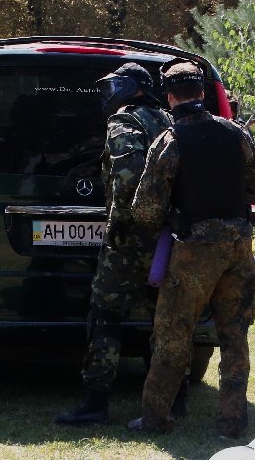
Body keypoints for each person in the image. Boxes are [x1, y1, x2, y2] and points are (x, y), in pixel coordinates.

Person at [126, 60, 255, 437]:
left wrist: (169, 220)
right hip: (238, 246)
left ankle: (156, 418)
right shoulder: (235, 133)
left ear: (169, 96)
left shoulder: (170, 140)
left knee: (173, 333)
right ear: (202, 93)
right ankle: (233, 422)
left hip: (195, 251)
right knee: (234, 336)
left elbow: (145, 209)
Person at [55, 63, 172, 425]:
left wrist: (120, 221)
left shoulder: (124, 121)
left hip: (130, 236)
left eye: (115, 86)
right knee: (164, 317)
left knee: (105, 313)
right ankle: (173, 397)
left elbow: (126, 176)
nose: (109, 94)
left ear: (133, 87)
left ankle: (96, 401)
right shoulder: (169, 120)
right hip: (167, 236)